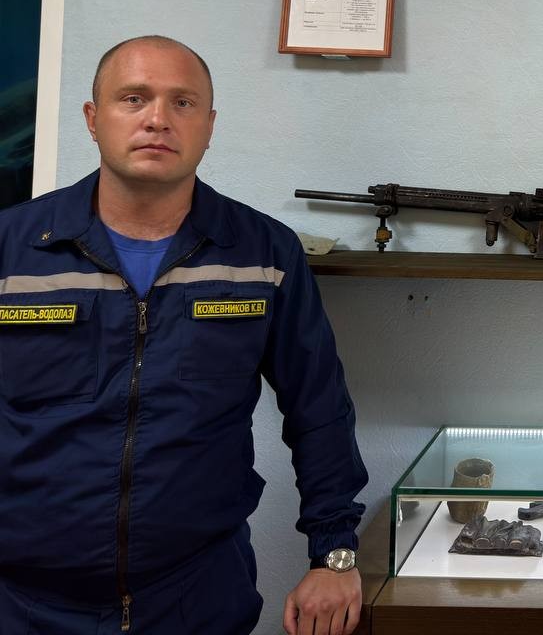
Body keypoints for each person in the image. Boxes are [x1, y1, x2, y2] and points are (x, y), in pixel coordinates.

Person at [0, 36, 368, 634]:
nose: (157, 119)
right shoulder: (13, 250)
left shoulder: (263, 254)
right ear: (92, 119)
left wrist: (335, 553)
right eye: (133, 98)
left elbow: (319, 408)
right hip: (24, 602)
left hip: (196, 597)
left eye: (183, 102)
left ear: (209, 126)